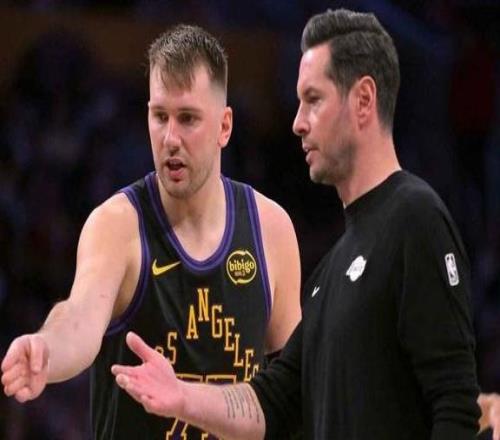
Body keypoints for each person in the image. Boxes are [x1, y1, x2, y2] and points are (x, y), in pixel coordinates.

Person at [108, 8, 500, 440]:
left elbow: (454, 403)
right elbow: (272, 402)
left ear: (363, 100)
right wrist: (182, 397)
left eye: (313, 99)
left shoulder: (415, 217)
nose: (297, 122)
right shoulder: (331, 269)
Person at [0, 25, 301, 439]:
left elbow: (291, 391)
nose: (170, 138)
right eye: (160, 116)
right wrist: (46, 349)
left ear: (224, 126)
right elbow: (79, 317)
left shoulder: (271, 229)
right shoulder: (116, 224)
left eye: (188, 118)